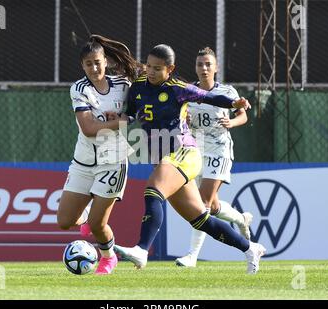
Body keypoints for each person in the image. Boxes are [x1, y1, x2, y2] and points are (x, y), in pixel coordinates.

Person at [114, 44, 266, 274]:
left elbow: (209, 97)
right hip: (162, 158)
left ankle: (142, 250)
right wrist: (115, 117)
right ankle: (250, 248)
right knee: (201, 219)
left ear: (170, 69)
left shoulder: (177, 88)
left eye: (158, 68)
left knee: (153, 191)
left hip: (185, 154)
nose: (152, 72)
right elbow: (131, 116)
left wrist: (234, 103)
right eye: (149, 66)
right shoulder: (137, 87)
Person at [56, 34, 137, 275]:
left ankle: (109, 257)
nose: (94, 67)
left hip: (113, 160)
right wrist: (120, 122)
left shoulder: (123, 85)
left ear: (106, 61)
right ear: (82, 65)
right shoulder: (79, 89)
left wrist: (128, 118)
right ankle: (90, 208)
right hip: (83, 160)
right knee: (64, 222)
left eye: (98, 62)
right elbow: (89, 129)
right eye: (88, 63)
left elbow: (140, 111)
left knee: (97, 225)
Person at [175, 47, 253, 268]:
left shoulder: (227, 92)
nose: (204, 68)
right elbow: (181, 121)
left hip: (219, 150)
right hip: (195, 153)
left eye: (208, 64)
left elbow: (243, 115)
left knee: (203, 203)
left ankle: (192, 256)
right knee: (215, 206)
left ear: (216, 67)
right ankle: (241, 219)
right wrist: (186, 120)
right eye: (200, 64)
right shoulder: (189, 92)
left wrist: (232, 122)